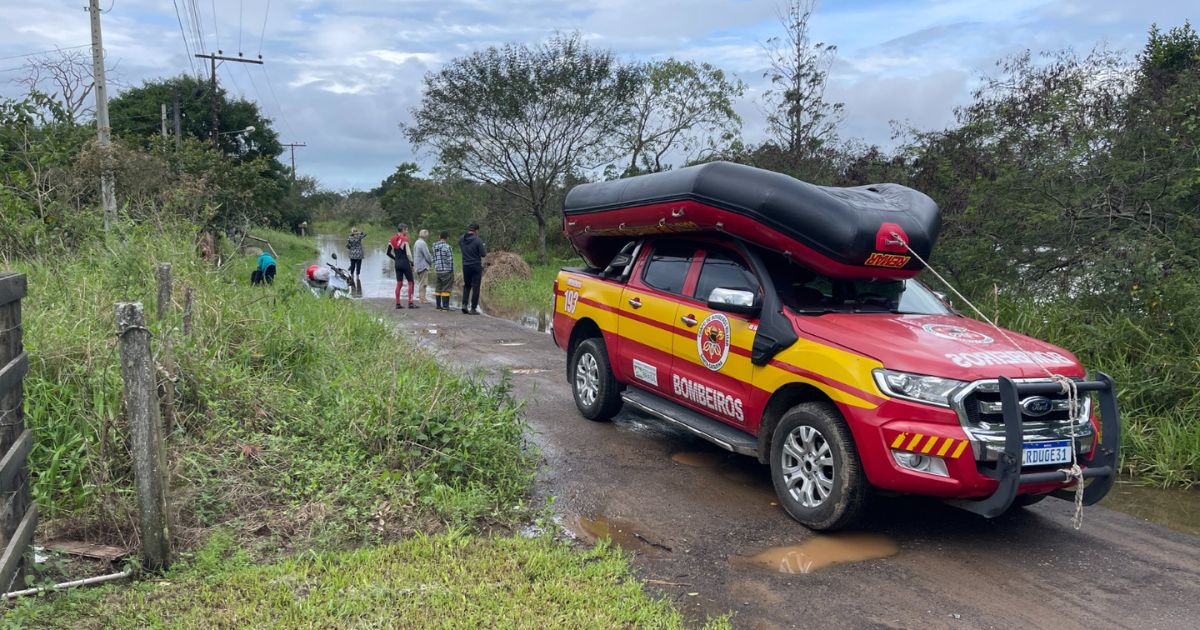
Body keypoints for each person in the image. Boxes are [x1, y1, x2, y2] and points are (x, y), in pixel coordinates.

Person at [387, 223, 417, 309]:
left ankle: (397, 304)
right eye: (406, 230)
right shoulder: (405, 239)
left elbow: (388, 253)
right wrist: (412, 263)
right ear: (403, 230)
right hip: (405, 263)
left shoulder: (391, 239)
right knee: (411, 282)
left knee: (399, 283)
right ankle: (410, 303)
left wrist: (395, 259)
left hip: (397, 264)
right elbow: (408, 254)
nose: (407, 231)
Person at [459, 222, 486, 314]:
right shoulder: (478, 240)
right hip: (475, 265)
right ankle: (473, 308)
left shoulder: (461, 238)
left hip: (465, 265)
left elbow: (462, 249)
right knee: (476, 287)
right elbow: (483, 254)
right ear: (476, 230)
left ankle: (464, 305)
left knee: (467, 285)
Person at [432, 231, 454, 310]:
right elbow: (450, 260)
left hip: (438, 270)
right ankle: (445, 306)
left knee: (438, 288)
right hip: (446, 270)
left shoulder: (434, 246)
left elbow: (434, 258)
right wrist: (451, 270)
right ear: (447, 238)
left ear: (439, 237)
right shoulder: (448, 247)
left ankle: (438, 305)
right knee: (446, 288)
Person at [413, 229, 433, 304]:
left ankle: (423, 298)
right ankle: (422, 299)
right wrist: (431, 262)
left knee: (421, 282)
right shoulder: (422, 243)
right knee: (423, 283)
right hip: (423, 266)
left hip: (417, 265)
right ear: (425, 235)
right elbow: (427, 255)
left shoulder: (417, 242)